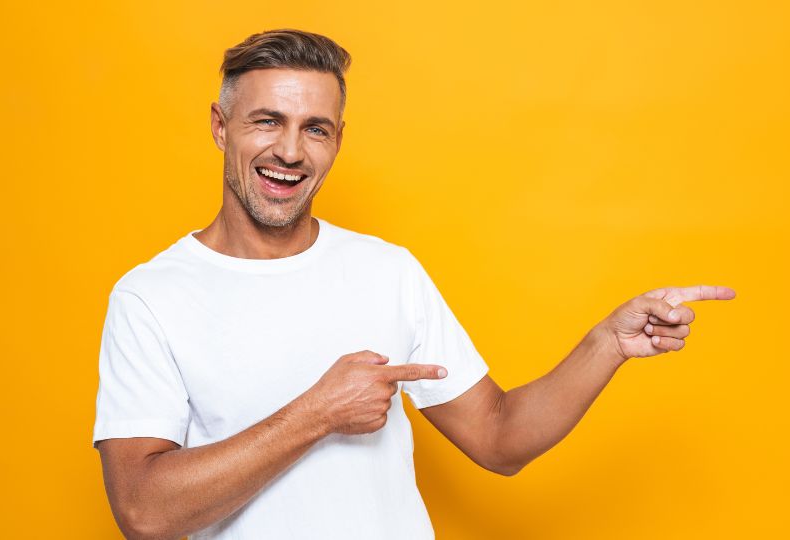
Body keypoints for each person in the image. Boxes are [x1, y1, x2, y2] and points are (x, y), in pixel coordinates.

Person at [91, 28, 735, 540]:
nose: (290, 151)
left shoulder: (386, 270)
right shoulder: (153, 297)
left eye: (315, 129)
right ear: (219, 126)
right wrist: (318, 413)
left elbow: (500, 438)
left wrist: (608, 344)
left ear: (338, 141)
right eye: (267, 121)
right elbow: (144, 512)